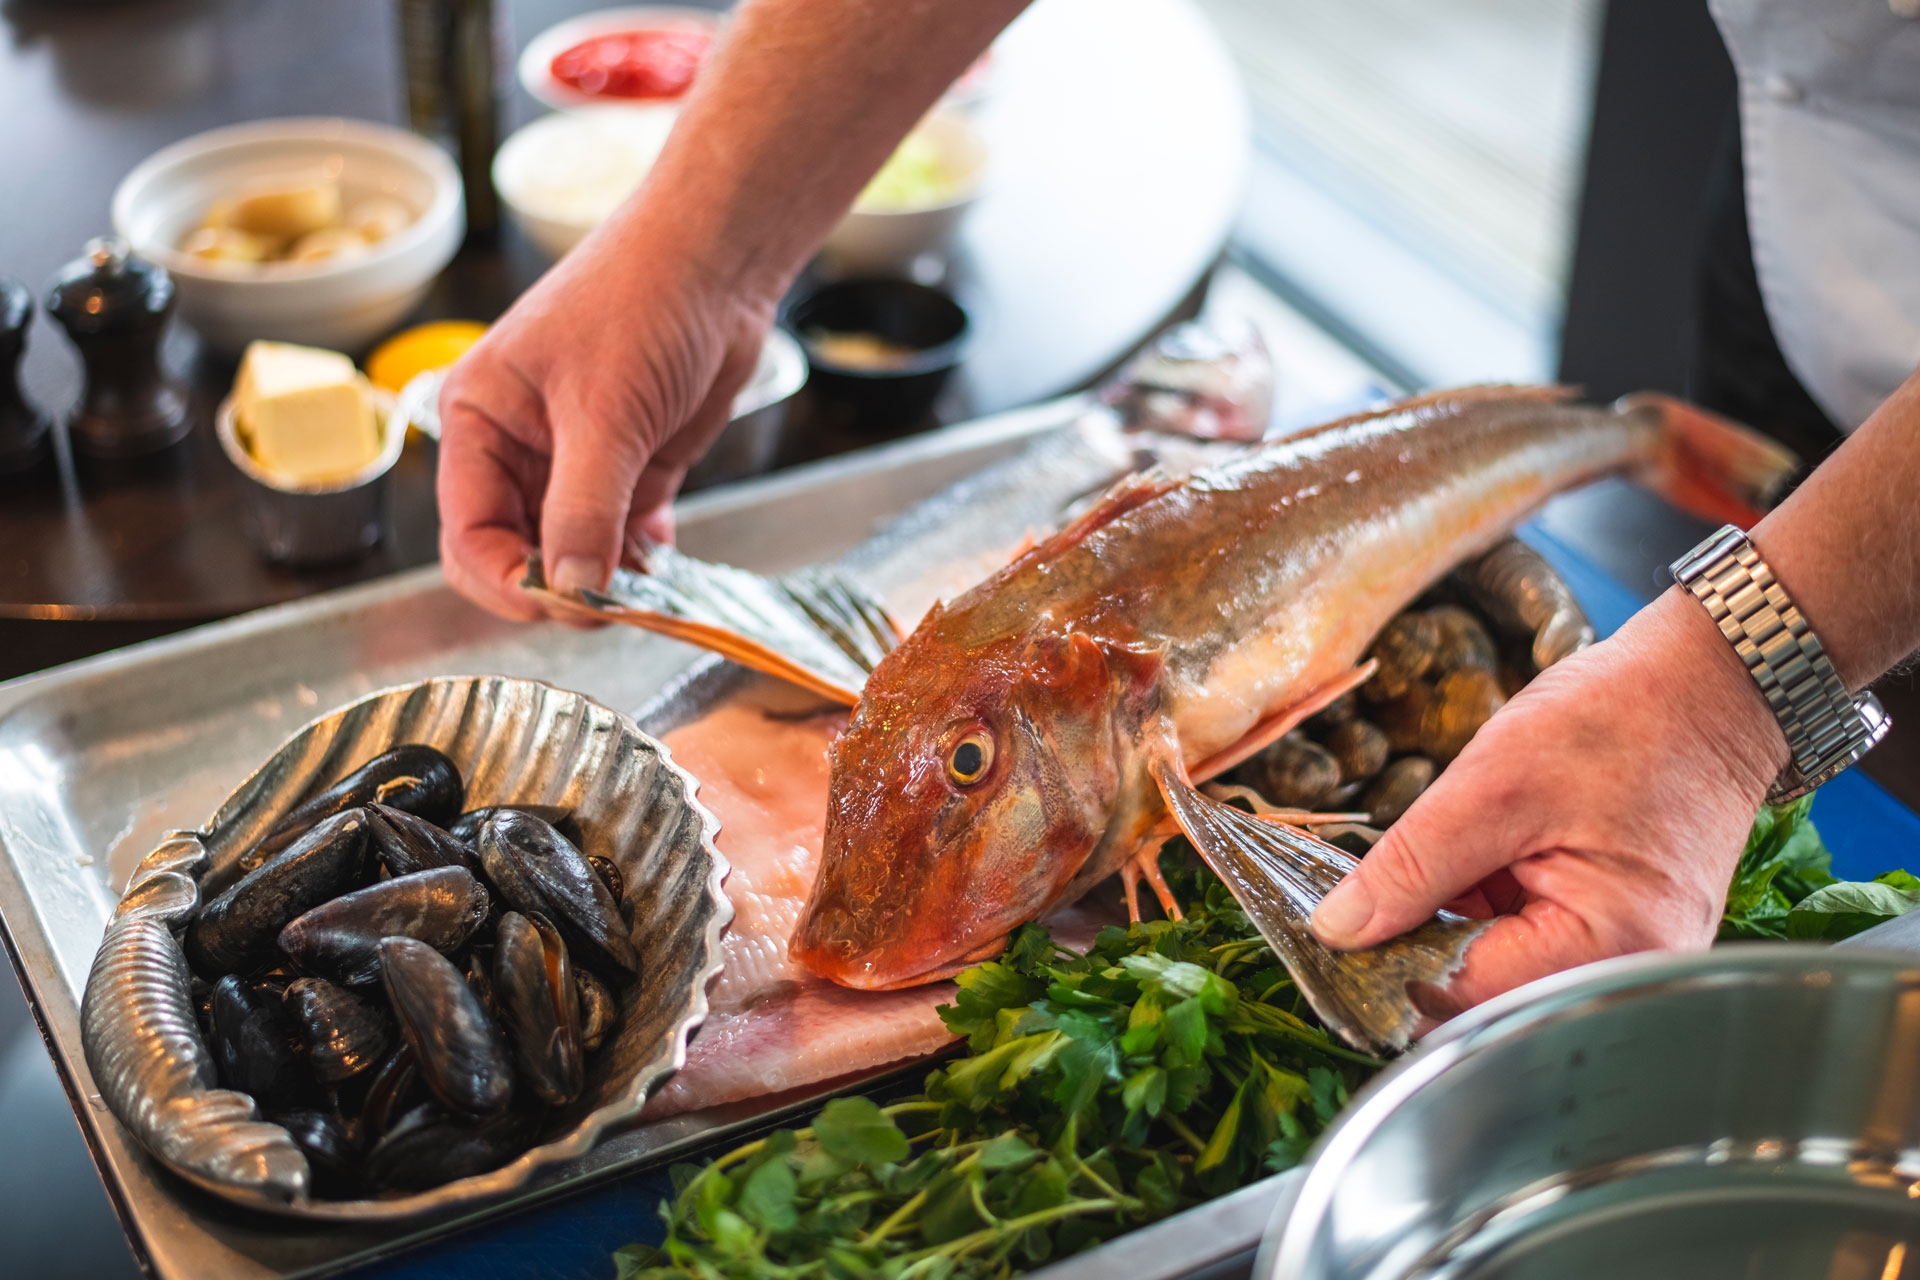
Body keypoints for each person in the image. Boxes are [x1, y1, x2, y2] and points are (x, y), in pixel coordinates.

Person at [439, 0, 1920, 1013]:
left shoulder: (1122, 698)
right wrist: (702, 250)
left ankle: (1635, 454)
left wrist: (1733, 693)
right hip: (1815, 185)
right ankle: (1662, 451)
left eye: (968, 760)